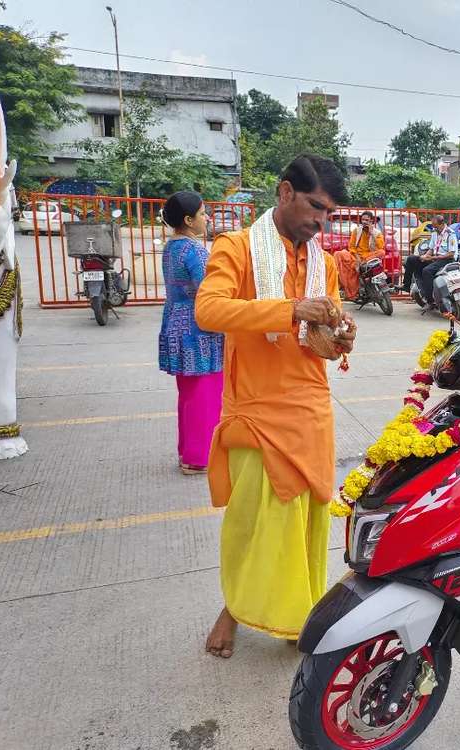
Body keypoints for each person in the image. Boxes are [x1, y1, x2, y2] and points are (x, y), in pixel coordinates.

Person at [195, 154, 357, 657]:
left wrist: (341, 336)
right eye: (315, 207)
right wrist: (290, 309)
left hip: (310, 406)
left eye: (329, 213)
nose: (321, 221)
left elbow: (324, 334)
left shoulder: (324, 263)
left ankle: (296, 615)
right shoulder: (237, 247)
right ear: (285, 192)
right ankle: (234, 608)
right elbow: (208, 310)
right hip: (255, 409)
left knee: (305, 521)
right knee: (252, 522)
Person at [158, 191, 224, 475]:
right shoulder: (195, 251)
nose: (206, 218)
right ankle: (198, 459)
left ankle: (187, 452)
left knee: (188, 396)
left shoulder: (171, 247)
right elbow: (209, 292)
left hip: (176, 325)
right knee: (204, 396)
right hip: (199, 332)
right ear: (188, 220)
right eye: (202, 213)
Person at [401, 214, 458, 303]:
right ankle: (406, 286)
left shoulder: (450, 234)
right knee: (411, 259)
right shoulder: (434, 232)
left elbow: (451, 254)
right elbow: (431, 248)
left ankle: (430, 300)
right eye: (433, 226)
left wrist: (432, 258)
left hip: (446, 260)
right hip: (435, 258)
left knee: (427, 271)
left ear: (441, 224)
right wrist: (425, 256)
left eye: (436, 226)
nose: (434, 228)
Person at [334, 210, 385, 300]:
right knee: (338, 254)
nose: (364, 222)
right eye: (363, 220)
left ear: (371, 221)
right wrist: (357, 258)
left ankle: (361, 264)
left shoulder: (377, 233)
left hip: (368, 257)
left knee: (382, 252)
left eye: (367, 220)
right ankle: (346, 288)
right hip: (356, 256)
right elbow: (351, 247)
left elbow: (380, 246)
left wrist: (371, 233)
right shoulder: (356, 231)